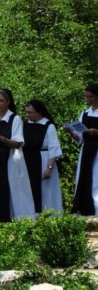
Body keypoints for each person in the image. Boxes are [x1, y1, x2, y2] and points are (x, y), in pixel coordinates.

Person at [0, 89, 35, 222]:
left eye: (1, 101)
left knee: (14, 190)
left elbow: (18, 143)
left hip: (11, 158)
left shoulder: (15, 119)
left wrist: (2, 139)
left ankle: (19, 220)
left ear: (8, 102)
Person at [64, 83, 98, 215]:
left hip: (97, 151)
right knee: (83, 180)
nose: (89, 100)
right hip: (86, 151)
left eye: (91, 97)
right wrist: (71, 132)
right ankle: (83, 210)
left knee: (95, 181)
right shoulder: (85, 113)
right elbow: (79, 138)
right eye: (87, 97)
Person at [23, 99, 63, 213]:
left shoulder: (48, 126)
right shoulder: (25, 124)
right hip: (27, 161)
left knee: (45, 192)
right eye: (26, 112)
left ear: (39, 112)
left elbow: (53, 148)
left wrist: (49, 168)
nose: (28, 115)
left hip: (43, 161)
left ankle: (47, 217)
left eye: (30, 112)